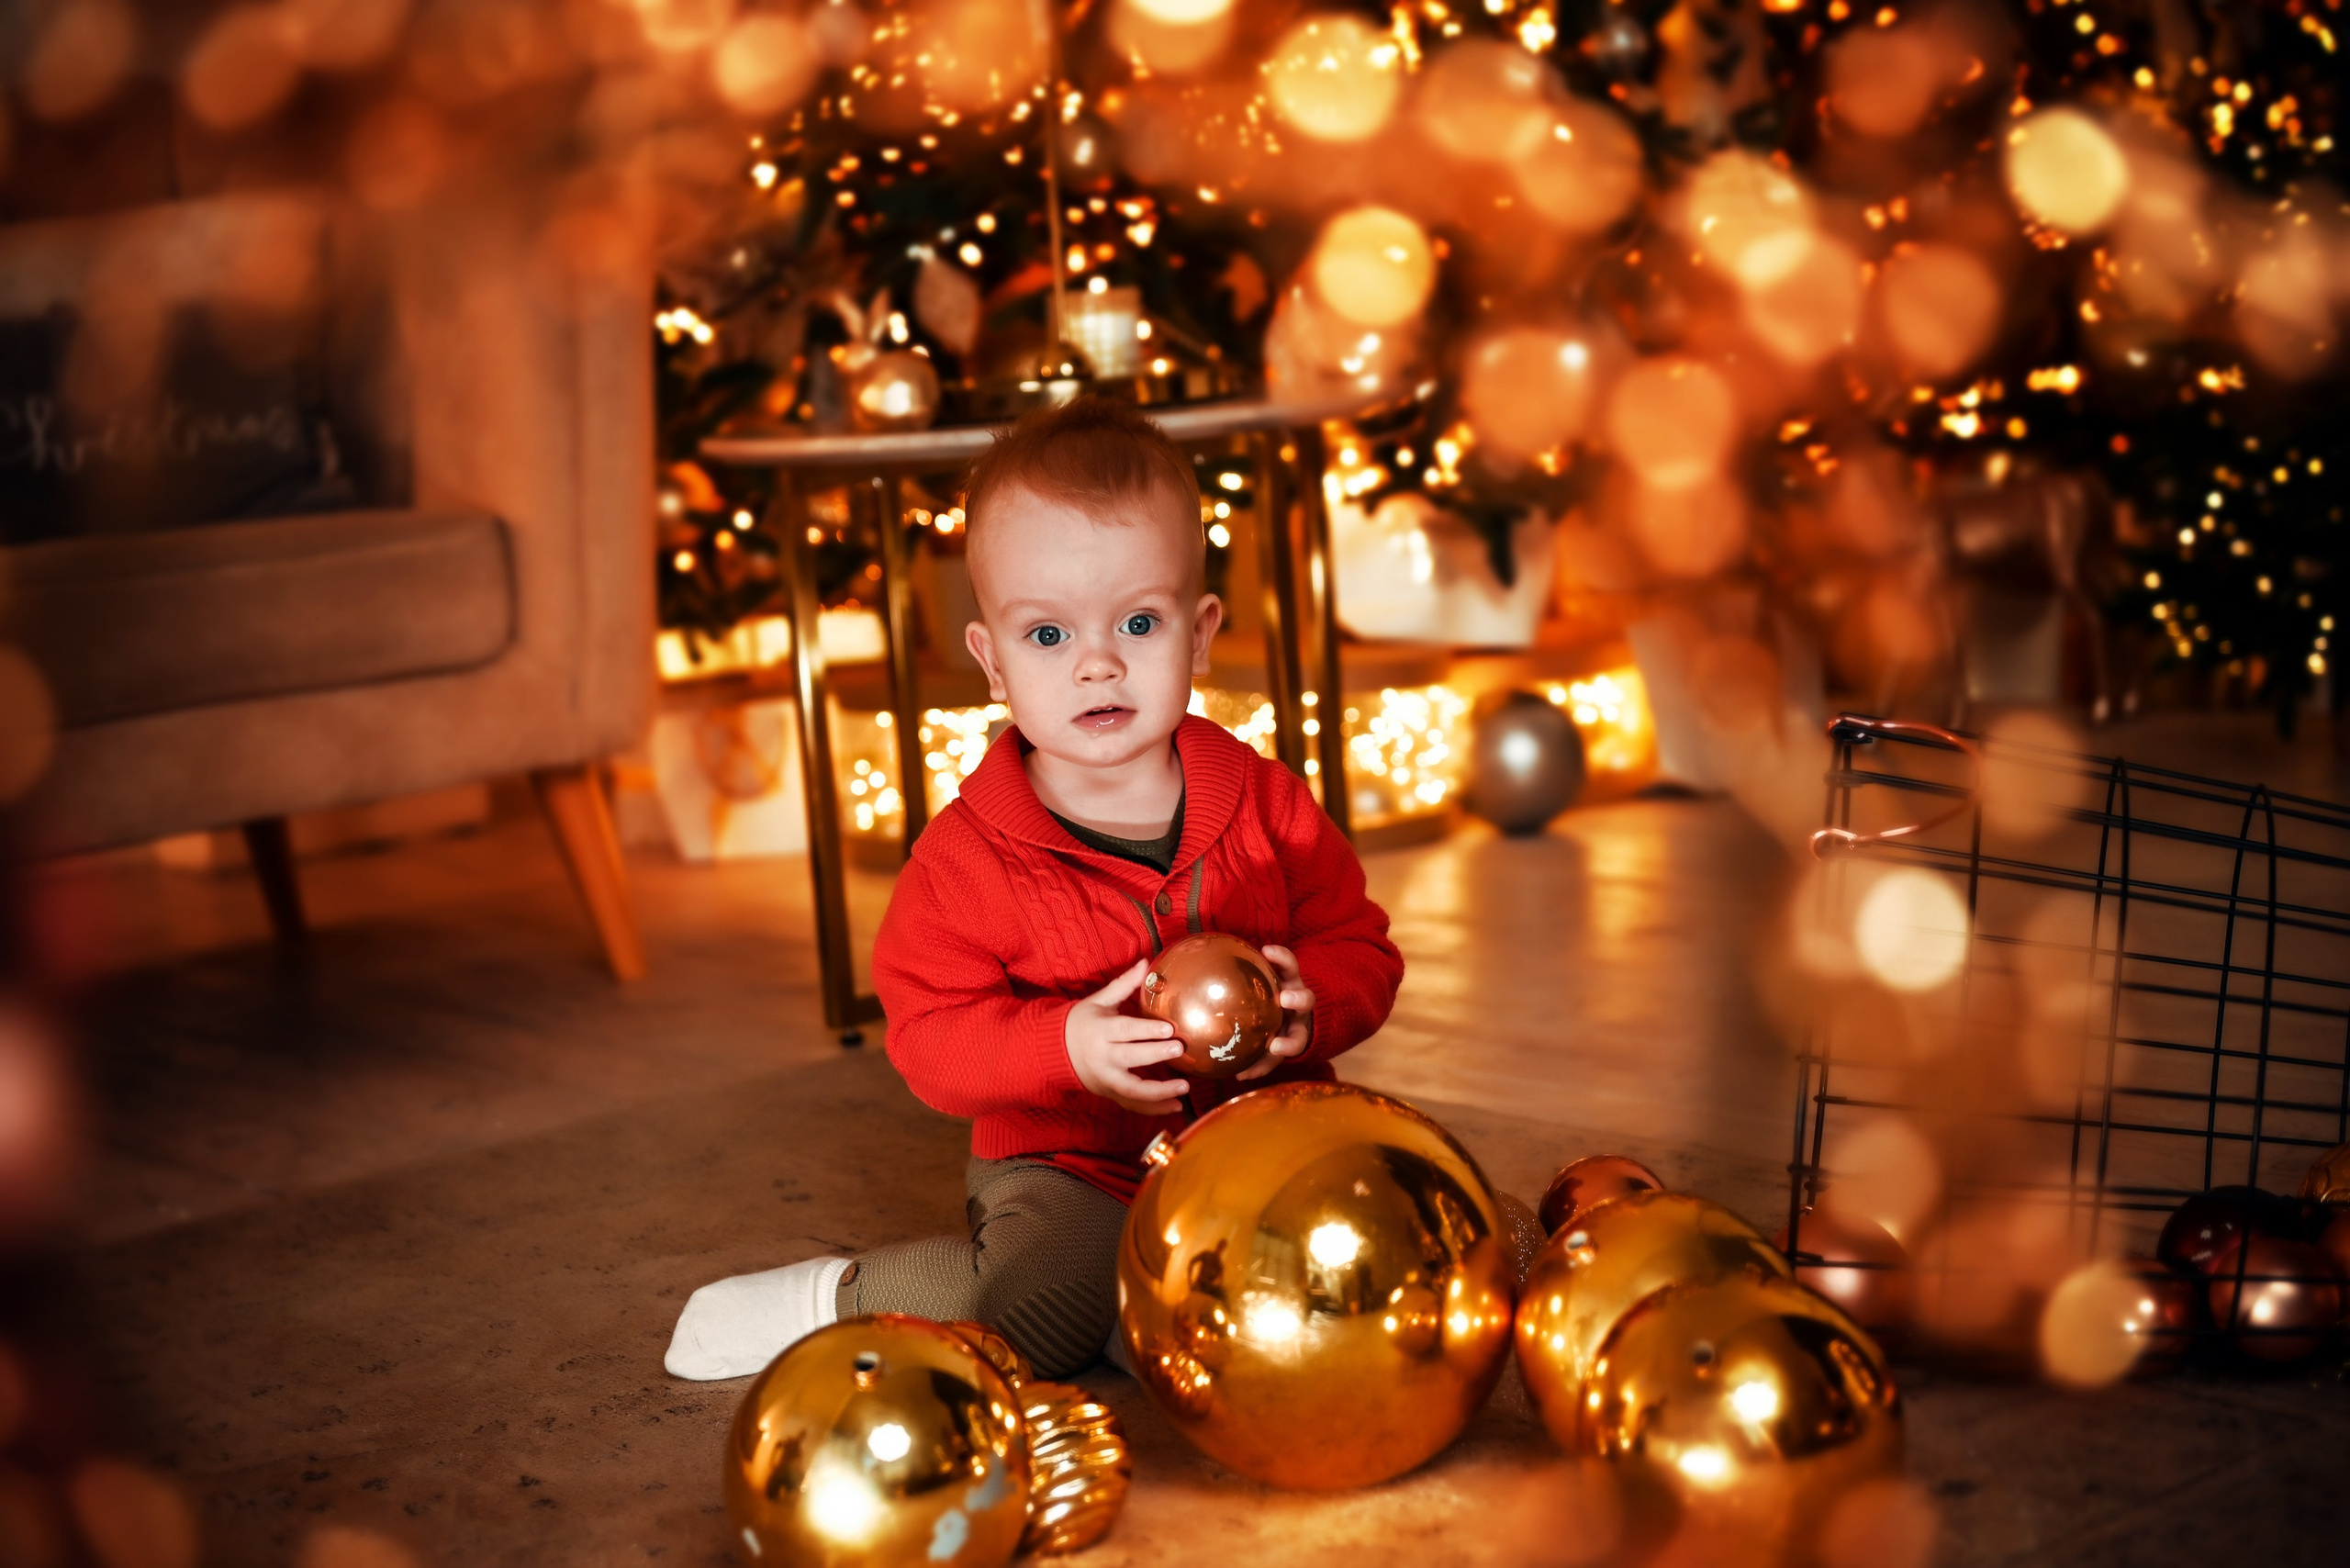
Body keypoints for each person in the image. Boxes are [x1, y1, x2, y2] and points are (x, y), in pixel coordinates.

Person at [665, 396, 1403, 1381]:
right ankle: (836, 1297)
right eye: (1047, 636)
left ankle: (1154, 1300)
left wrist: (1311, 1012)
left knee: (1398, 1247)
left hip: (1262, 1142)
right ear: (993, 662)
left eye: (1138, 621)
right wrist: (1064, 1047)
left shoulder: (1267, 804)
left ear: (1198, 633)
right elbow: (929, 1037)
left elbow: (1361, 945)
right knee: (1034, 1311)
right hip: (1071, 1168)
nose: (1097, 663)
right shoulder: (965, 858)